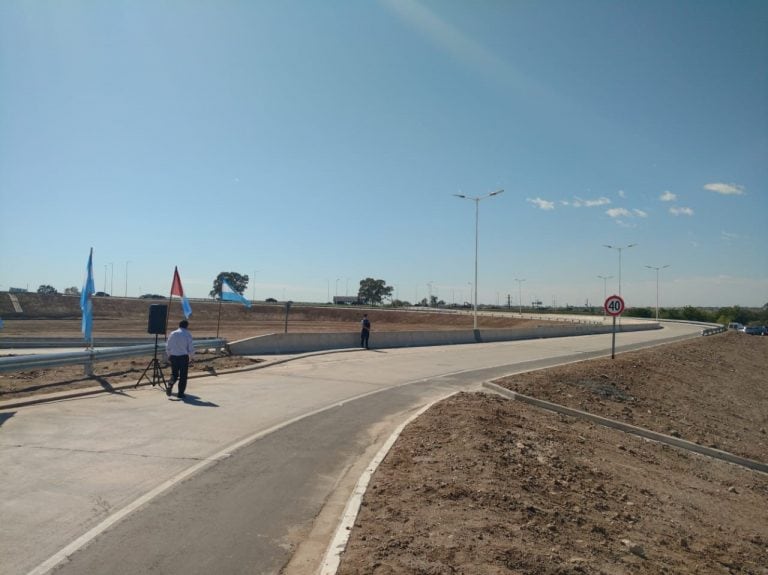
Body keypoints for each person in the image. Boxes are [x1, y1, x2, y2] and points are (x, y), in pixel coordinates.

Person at [166, 319, 195, 399]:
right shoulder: (187, 334)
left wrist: (169, 355)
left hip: (174, 356)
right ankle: (180, 393)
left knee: (174, 373)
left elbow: (168, 346)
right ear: (187, 326)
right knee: (183, 376)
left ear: (179, 325)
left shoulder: (173, 333)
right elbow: (190, 347)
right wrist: (192, 357)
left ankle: (170, 384)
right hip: (183, 357)